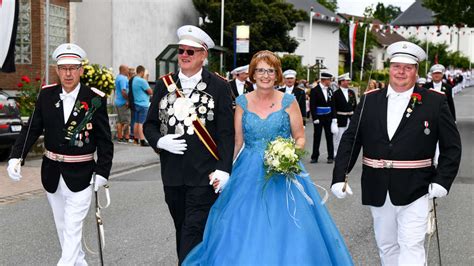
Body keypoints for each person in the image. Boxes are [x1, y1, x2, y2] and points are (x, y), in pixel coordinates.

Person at [183, 50, 353, 265]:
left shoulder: (289, 101)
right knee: (242, 223)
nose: (265, 75)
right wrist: (223, 168)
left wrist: (290, 154)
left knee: (290, 225)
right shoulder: (242, 102)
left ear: (277, 75)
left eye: (270, 71)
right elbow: (237, 142)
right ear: (253, 74)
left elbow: (300, 138)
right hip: (248, 171)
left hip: (284, 170)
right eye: (261, 70)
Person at [332, 41, 461, 265]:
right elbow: (351, 139)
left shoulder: (435, 101)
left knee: (411, 244)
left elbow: (452, 146)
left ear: (416, 71)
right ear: (389, 68)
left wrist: (442, 180)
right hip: (377, 185)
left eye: (408, 67)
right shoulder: (370, 99)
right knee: (386, 245)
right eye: (396, 66)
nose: (401, 72)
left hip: (417, 187)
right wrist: (338, 176)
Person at [7, 43, 113, 265]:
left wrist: (102, 172)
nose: (68, 73)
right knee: (63, 229)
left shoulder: (94, 99)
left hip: (83, 174)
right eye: (63, 68)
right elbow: (31, 129)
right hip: (52, 172)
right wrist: (16, 157)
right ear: (56, 69)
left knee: (73, 229)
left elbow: (105, 141)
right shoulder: (46, 95)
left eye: (73, 68)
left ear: (81, 70)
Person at [143, 25, 235, 264]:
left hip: (204, 175)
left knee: (193, 229)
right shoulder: (164, 84)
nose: (183, 55)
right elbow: (150, 124)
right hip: (172, 174)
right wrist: (159, 141)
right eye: (181, 51)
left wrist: (225, 169)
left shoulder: (219, 86)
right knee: (182, 227)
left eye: (190, 52)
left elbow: (226, 133)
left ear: (203, 55)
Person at [309, 72, 337, 164]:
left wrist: (334, 117)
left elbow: (333, 104)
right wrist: (315, 118)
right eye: (329, 80)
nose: (330, 82)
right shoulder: (315, 90)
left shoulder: (330, 90)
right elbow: (312, 105)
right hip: (319, 117)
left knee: (329, 137)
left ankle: (330, 156)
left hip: (328, 117)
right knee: (317, 137)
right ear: (324, 80)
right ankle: (314, 156)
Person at [333, 73, 357, 157]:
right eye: (347, 81)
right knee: (339, 137)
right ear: (341, 82)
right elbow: (334, 107)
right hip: (340, 118)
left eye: (348, 80)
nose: (348, 82)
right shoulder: (336, 93)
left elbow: (355, 106)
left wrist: (356, 117)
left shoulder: (351, 92)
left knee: (350, 137)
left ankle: (347, 153)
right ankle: (336, 152)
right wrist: (334, 119)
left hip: (350, 117)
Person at [132, 65, 152, 146]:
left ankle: (136, 139)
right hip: (143, 104)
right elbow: (150, 91)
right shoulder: (142, 81)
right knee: (142, 123)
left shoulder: (134, 79)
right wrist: (146, 79)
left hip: (136, 103)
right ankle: (142, 140)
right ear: (142, 72)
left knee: (136, 122)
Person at [114, 64, 131, 143]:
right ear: (123, 70)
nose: (128, 71)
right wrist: (128, 100)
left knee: (119, 121)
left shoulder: (118, 77)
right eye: (127, 69)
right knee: (126, 121)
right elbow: (123, 91)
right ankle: (125, 137)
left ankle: (120, 137)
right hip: (123, 102)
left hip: (117, 101)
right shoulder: (123, 79)